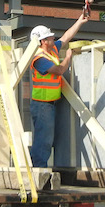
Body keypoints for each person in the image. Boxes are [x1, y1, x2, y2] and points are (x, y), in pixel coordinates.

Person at [29, 14, 88, 168]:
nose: (52, 38)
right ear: (43, 42)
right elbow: (59, 70)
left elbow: (66, 36)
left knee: (46, 137)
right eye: (49, 37)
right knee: (44, 138)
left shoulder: (51, 50)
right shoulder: (39, 58)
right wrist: (68, 57)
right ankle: (39, 169)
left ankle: (39, 167)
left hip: (49, 104)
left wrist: (79, 20)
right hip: (42, 105)